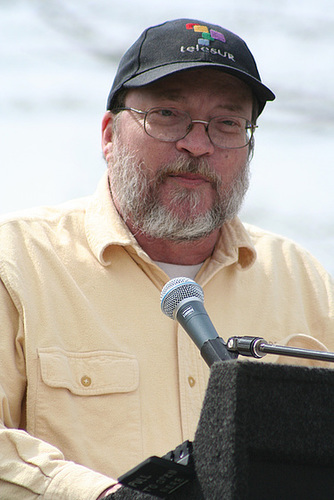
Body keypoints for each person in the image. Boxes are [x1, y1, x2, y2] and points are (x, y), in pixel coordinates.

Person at [0, 18, 333, 500]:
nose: (197, 144)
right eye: (168, 114)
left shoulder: (304, 282)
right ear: (109, 134)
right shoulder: (17, 262)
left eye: (226, 123)